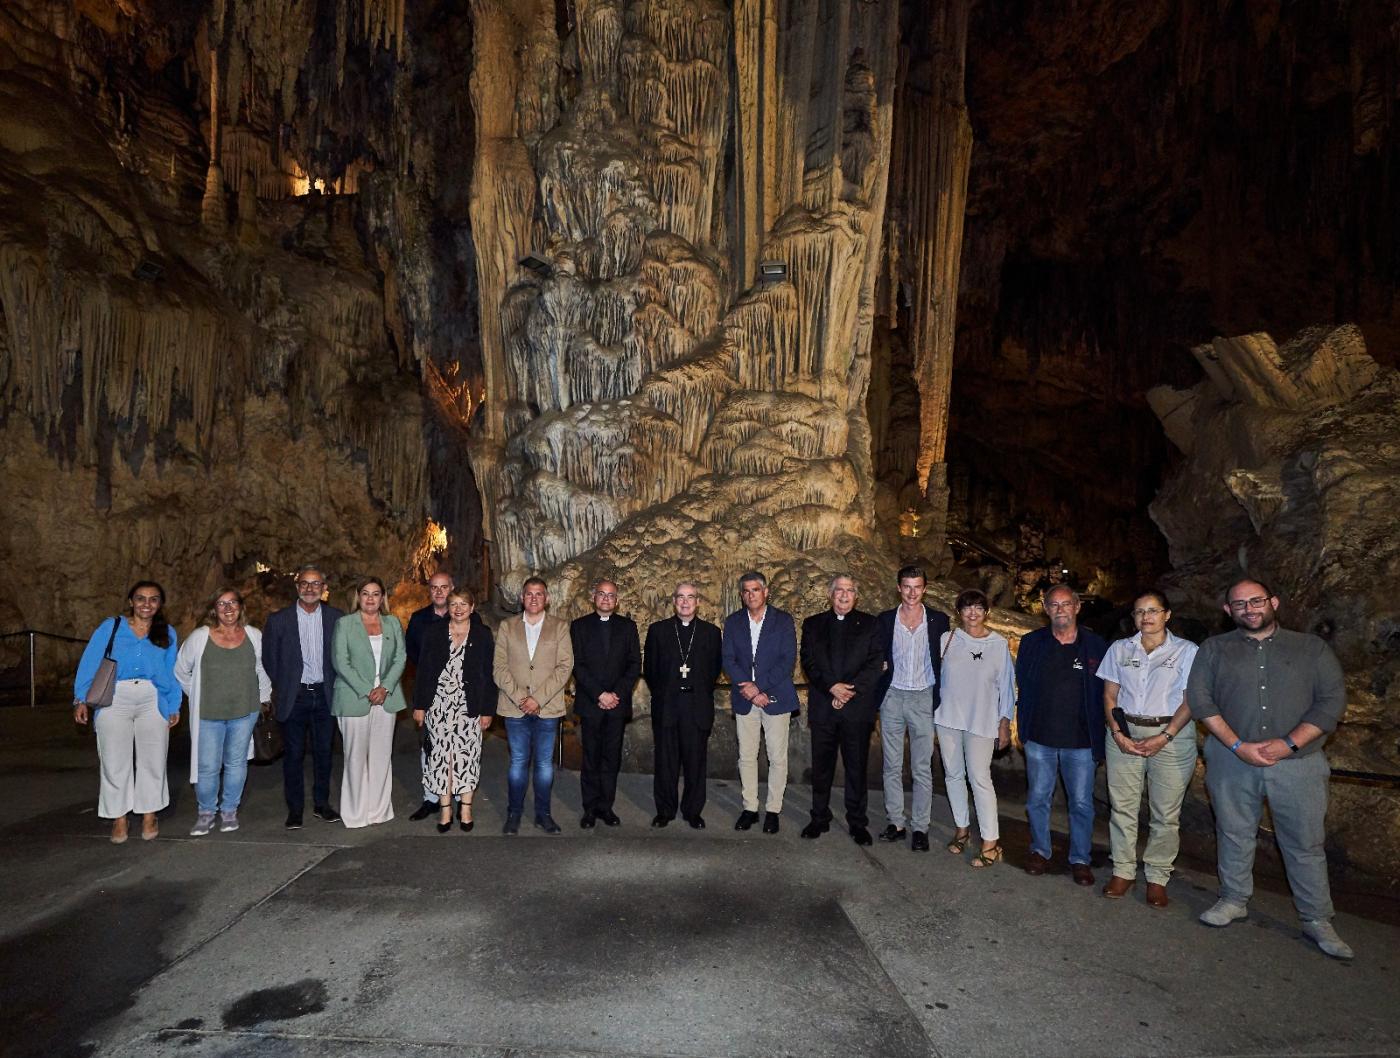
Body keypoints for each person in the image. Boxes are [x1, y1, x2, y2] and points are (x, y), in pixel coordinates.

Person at [1187, 578, 1352, 959]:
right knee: (1233, 832)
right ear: (1228, 610)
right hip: (1232, 760)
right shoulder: (1215, 649)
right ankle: (1233, 898)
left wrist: (1289, 742)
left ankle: (1316, 918)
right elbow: (1199, 699)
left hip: (1299, 763)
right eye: (1239, 604)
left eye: (1256, 601)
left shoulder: (1310, 648)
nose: (1249, 609)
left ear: (1273, 602)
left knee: (1305, 843)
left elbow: (1331, 702)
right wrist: (1237, 745)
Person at [1098, 590, 1199, 907]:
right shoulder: (1119, 649)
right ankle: (1123, 869)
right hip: (1125, 729)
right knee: (1123, 805)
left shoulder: (1187, 651)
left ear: (1167, 614)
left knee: (1166, 811)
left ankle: (1157, 875)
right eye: (1140, 611)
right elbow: (1110, 695)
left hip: (1171, 732)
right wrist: (1117, 732)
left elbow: (1191, 700)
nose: (1146, 617)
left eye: (1153, 610)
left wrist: (1165, 736)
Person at [73, 580, 181, 843]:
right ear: (131, 601)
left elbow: (172, 671)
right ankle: (119, 818)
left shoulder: (167, 632)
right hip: (115, 696)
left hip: (152, 697)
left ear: (160, 604)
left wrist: (174, 704)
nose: (147, 604)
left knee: (153, 759)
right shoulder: (111, 627)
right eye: (141, 598)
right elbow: (90, 662)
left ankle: (149, 814)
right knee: (114, 759)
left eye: (153, 599)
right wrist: (80, 699)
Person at [1015, 585, 1108, 885]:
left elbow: (1108, 691)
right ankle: (1040, 850)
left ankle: (1080, 858)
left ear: (1078, 606)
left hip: (1081, 742)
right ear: (1045, 608)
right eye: (1053, 604)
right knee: (1038, 798)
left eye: (1066, 604)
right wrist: (1022, 728)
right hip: (1040, 738)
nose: (1060, 610)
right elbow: (1022, 686)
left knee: (1081, 802)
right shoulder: (1031, 643)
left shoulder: (1096, 646)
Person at [174, 588, 273, 836]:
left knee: (236, 763)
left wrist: (264, 698)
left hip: (245, 711)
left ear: (240, 606)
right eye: (221, 604)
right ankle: (206, 813)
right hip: (209, 713)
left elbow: (262, 669)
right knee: (207, 765)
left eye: (232, 603)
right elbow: (180, 671)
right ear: (213, 609)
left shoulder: (253, 635)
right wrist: (195, 695)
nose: (228, 609)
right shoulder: (200, 637)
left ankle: (229, 810)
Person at [798, 574, 885, 845]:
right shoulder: (813, 624)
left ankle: (857, 823)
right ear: (830, 594)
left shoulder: (871, 624)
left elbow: (875, 663)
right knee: (821, 767)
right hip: (824, 706)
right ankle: (819, 818)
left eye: (849, 591)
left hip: (857, 708)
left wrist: (849, 691)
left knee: (856, 768)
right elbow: (808, 662)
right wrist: (831, 688)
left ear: (855, 596)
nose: (844, 595)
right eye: (839, 590)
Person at [936, 589, 1016, 868]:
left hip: (982, 720)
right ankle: (962, 829)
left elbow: (1006, 687)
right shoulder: (947, 639)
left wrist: (1004, 722)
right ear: (959, 612)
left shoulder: (998, 644)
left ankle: (991, 842)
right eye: (967, 608)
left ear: (986, 612)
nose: (972, 613)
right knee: (953, 775)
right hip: (947, 718)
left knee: (980, 778)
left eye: (978, 608)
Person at [873, 565, 950, 851]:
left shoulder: (939, 620)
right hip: (892, 697)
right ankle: (896, 822)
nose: (912, 592)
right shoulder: (884, 620)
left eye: (917, 586)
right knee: (891, 765)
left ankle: (920, 827)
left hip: (922, 697)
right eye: (907, 586)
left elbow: (948, 659)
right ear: (898, 588)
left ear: (925, 589)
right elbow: (875, 654)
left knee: (921, 767)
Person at [263, 565, 344, 829]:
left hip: (324, 695)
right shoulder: (278, 620)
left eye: (316, 584)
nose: (310, 589)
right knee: (294, 755)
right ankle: (295, 809)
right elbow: (270, 660)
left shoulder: (336, 618)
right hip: (294, 696)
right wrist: (286, 685)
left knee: (324, 753)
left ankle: (322, 805)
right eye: (305, 584)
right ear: (298, 588)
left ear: (324, 588)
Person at [493, 576, 573, 834]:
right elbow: (499, 668)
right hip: (514, 708)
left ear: (547, 598)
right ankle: (514, 814)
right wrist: (521, 698)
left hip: (547, 708)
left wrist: (538, 698)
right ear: (522, 597)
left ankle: (543, 814)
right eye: (529, 593)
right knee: (517, 763)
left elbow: (564, 667)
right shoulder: (507, 626)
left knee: (543, 765)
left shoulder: (560, 627)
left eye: (539, 594)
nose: (534, 598)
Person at [413, 588, 496, 833]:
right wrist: (419, 705)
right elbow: (423, 671)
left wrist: (488, 709)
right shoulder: (434, 632)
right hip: (438, 705)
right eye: (453, 604)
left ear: (472, 608)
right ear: (447, 608)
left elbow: (489, 675)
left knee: (466, 757)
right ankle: (446, 809)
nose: (458, 609)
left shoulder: (482, 634)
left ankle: (466, 807)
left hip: (469, 706)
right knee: (440, 758)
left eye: (463, 604)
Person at [722, 571, 798, 834]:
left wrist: (760, 687)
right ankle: (750, 807)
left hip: (775, 697)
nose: (750, 595)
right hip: (746, 698)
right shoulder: (733, 622)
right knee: (747, 755)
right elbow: (728, 659)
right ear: (741, 595)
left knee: (777, 757)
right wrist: (751, 690)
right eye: (746, 591)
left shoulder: (783, 621)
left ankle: (773, 809)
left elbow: (787, 660)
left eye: (755, 590)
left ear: (766, 592)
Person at [643, 581, 723, 828]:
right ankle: (665, 811)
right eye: (680, 597)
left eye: (690, 597)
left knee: (695, 762)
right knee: (665, 762)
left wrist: (694, 689)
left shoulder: (710, 632)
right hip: (667, 706)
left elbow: (714, 670)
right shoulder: (658, 631)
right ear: (674, 601)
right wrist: (668, 692)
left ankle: (693, 811)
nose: (685, 602)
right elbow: (651, 670)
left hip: (696, 707)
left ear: (698, 602)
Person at [331, 577, 407, 828]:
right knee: (354, 756)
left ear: (383, 597)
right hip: (354, 697)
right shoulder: (345, 624)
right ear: (358, 596)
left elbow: (400, 658)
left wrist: (384, 687)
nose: (371, 599)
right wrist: (368, 690)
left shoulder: (392, 622)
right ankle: (355, 814)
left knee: (381, 755)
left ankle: (378, 811)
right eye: (365, 594)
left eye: (376, 594)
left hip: (387, 697)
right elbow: (341, 662)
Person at [570, 578, 641, 829]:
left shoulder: (628, 627)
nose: (606, 599)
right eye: (601, 594)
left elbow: (634, 665)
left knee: (611, 758)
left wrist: (615, 694)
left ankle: (606, 807)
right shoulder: (579, 626)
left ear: (617, 600)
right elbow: (577, 664)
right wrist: (600, 694)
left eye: (611, 595)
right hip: (591, 703)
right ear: (594, 597)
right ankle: (589, 809)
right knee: (590, 758)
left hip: (617, 704)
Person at [406, 570, 456, 821]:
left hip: (459, 693)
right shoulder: (418, 619)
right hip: (429, 691)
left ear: (452, 588)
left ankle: (458, 796)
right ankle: (431, 798)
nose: (439, 592)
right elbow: (412, 653)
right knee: (429, 746)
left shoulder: (468, 616)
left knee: (458, 745)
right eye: (434, 587)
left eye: (444, 587)